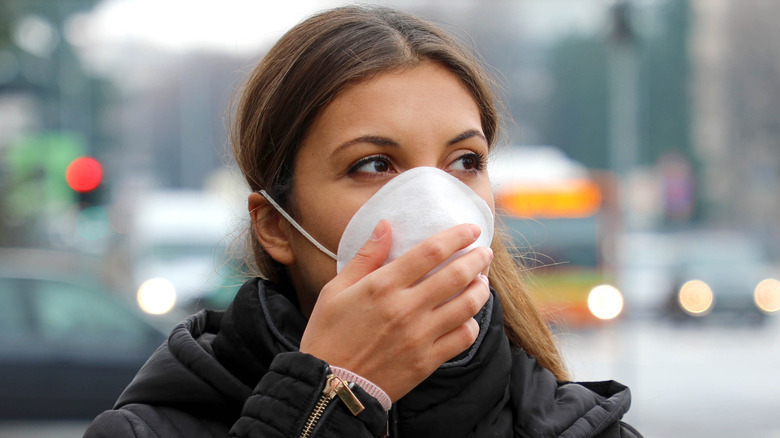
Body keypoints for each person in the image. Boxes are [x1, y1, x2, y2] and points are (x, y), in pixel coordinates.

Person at [85, 5, 641, 437]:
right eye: (374, 165)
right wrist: (326, 400)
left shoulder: (584, 428)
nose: (436, 206)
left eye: (464, 163)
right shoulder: (145, 430)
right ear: (275, 226)